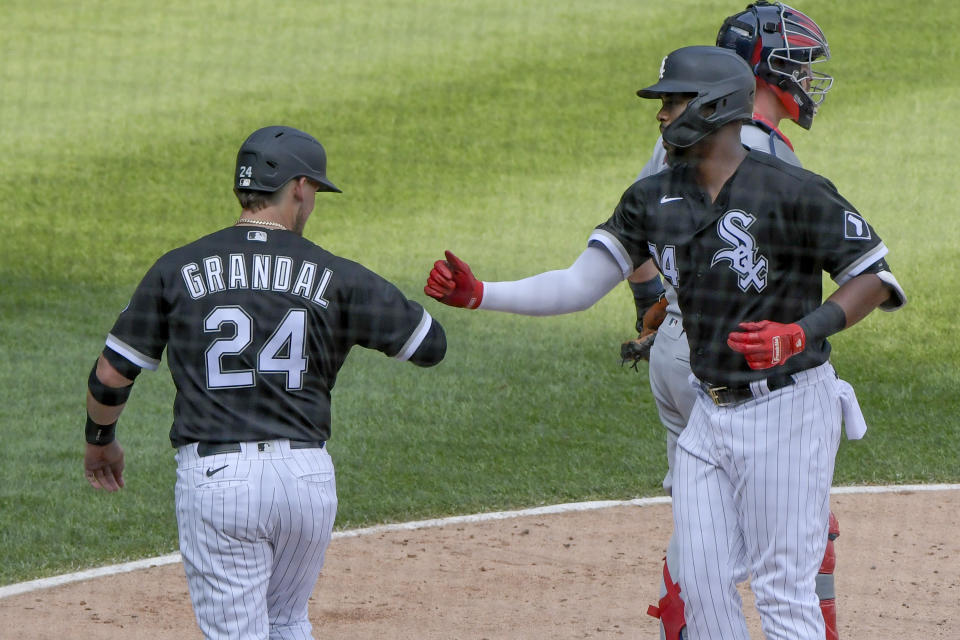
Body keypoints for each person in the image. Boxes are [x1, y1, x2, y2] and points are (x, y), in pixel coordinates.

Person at [424, 45, 905, 640]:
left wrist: (800, 332)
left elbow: (874, 277)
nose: (661, 114)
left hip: (789, 410)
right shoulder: (651, 199)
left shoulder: (792, 191)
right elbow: (579, 285)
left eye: (673, 102)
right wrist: (481, 294)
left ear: (714, 106)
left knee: (783, 591)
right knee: (698, 586)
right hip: (709, 412)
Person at [83, 125, 447, 639]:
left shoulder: (178, 268)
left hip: (219, 482)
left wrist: (100, 441)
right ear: (299, 186)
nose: (314, 202)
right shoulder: (337, 274)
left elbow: (110, 375)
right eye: (315, 191)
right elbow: (429, 345)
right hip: (306, 481)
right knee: (287, 623)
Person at [618, 4, 843, 638]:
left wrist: (654, 306)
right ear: (762, 70)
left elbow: (634, 245)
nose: (804, 76)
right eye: (795, 63)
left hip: (677, 349)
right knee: (796, 539)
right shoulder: (758, 155)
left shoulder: (677, 137)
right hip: (734, 360)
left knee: (704, 535)